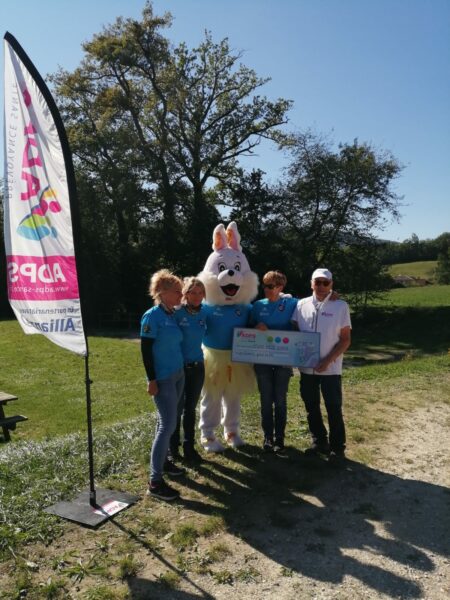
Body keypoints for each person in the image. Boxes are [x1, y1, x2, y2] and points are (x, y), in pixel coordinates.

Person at [291, 268, 351, 465]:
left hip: (331, 369)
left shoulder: (340, 306)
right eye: (318, 282)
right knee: (311, 407)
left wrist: (327, 361)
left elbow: (345, 340)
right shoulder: (300, 305)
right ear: (311, 284)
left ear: (331, 284)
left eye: (326, 283)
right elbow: (295, 332)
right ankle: (319, 442)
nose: (322, 286)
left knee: (334, 408)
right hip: (307, 369)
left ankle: (337, 448)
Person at [140, 269, 185, 501]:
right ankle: (155, 482)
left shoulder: (171, 315)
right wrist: (152, 380)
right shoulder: (152, 316)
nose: (181, 295)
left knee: (166, 421)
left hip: (178, 375)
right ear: (163, 293)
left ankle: (165, 462)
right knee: (166, 426)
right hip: (163, 379)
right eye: (177, 291)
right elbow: (146, 350)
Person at [251, 270, 298, 455]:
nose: (266, 289)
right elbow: (247, 328)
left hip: (283, 361)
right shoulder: (257, 306)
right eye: (264, 285)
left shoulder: (292, 303)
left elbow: (313, 302)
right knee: (265, 400)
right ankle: (267, 438)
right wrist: (256, 327)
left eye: (270, 286)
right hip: (262, 360)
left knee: (280, 400)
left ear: (280, 287)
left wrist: (331, 295)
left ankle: (280, 439)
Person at [170, 277, 207, 462]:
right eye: (193, 292)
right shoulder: (176, 313)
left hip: (198, 367)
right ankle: (173, 448)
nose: (197, 296)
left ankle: (189, 447)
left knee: (190, 409)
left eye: (201, 293)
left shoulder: (205, 312)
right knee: (176, 409)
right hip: (179, 368)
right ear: (185, 293)